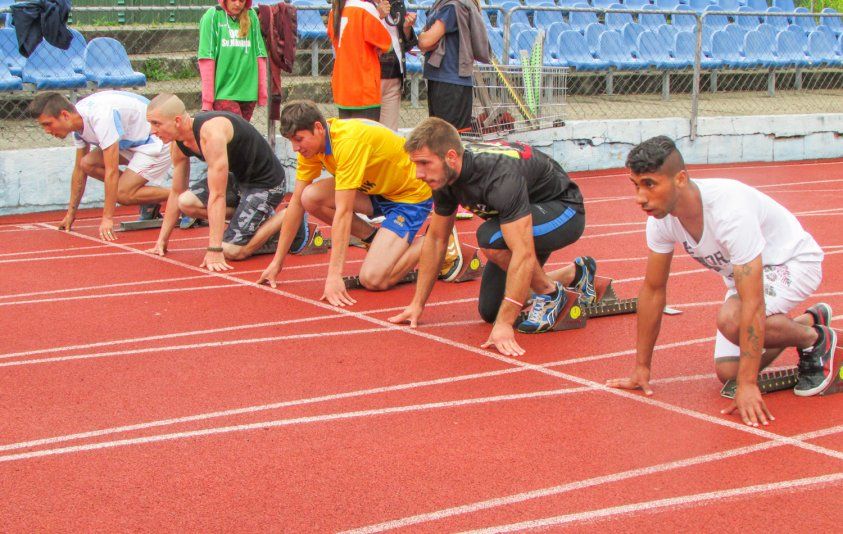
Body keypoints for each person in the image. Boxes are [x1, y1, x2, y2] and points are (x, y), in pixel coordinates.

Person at [606, 136, 835, 427]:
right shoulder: (660, 219)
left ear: (680, 179)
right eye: (635, 185)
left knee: (732, 319)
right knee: (728, 372)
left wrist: (749, 384)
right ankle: (804, 323)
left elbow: (752, 301)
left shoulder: (729, 211)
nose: (640, 197)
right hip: (746, 278)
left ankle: (816, 339)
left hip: (792, 263)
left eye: (650, 184)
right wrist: (641, 368)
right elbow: (653, 290)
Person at [389, 117, 597, 357]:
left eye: (424, 163)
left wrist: (506, 324)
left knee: (490, 237)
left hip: (563, 211)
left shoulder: (498, 177)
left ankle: (551, 294)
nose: (418, 174)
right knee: (490, 311)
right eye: (416, 164)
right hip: (522, 216)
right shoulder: (444, 177)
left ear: (451, 157)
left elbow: (523, 252)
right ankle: (576, 273)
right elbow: (436, 240)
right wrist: (417, 304)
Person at [257, 100, 463, 306]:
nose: (295, 148)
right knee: (308, 197)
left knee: (373, 279)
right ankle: (373, 239)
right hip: (376, 191)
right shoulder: (312, 148)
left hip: (409, 196)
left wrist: (334, 276)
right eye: (291, 141)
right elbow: (296, 204)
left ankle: (438, 240)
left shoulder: (347, 142)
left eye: (298, 139)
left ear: (318, 128)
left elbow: (343, 212)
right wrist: (277, 262)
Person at [145, 93, 307, 270]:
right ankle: (259, 220)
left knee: (232, 251)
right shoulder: (178, 144)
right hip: (239, 180)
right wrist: (161, 241)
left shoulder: (211, 134)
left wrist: (215, 249)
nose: (152, 131)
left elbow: (218, 194)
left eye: (156, 124)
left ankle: (290, 215)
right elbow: (176, 192)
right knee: (185, 203)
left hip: (266, 184)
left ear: (177, 120)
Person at [27, 91, 171, 241]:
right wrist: (71, 214)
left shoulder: (101, 117)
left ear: (65, 115)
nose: (47, 131)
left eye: (48, 124)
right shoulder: (77, 122)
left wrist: (107, 218)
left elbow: (111, 171)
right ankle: (146, 197)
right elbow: (79, 170)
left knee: (121, 194)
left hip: (156, 142)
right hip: (130, 143)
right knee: (86, 164)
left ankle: (181, 196)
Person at [417, 0, 488, 133]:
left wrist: (421, 37)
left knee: (448, 137)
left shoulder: (452, 7)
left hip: (449, 82)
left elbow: (425, 41)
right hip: (446, 80)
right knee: (442, 136)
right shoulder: (445, 4)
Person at [198, 0, 268, 121]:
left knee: (241, 137)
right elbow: (207, 58)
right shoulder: (213, 15)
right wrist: (207, 100)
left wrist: (262, 92)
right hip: (224, 92)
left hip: (248, 92)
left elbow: (260, 54)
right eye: (233, 0)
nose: (237, 4)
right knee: (235, 134)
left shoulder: (251, 15)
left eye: (241, 1)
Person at [328, 0, 397, 121]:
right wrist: (380, 16)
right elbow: (387, 44)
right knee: (366, 137)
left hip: (343, 86)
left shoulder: (334, 10)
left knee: (349, 137)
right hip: (364, 87)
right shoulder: (366, 9)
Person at [378, 5, 417, 130]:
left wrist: (407, 27)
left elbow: (406, 44)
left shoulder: (396, 3)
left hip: (394, 73)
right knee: (367, 133)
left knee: (389, 134)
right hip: (370, 75)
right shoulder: (362, 4)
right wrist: (378, 16)